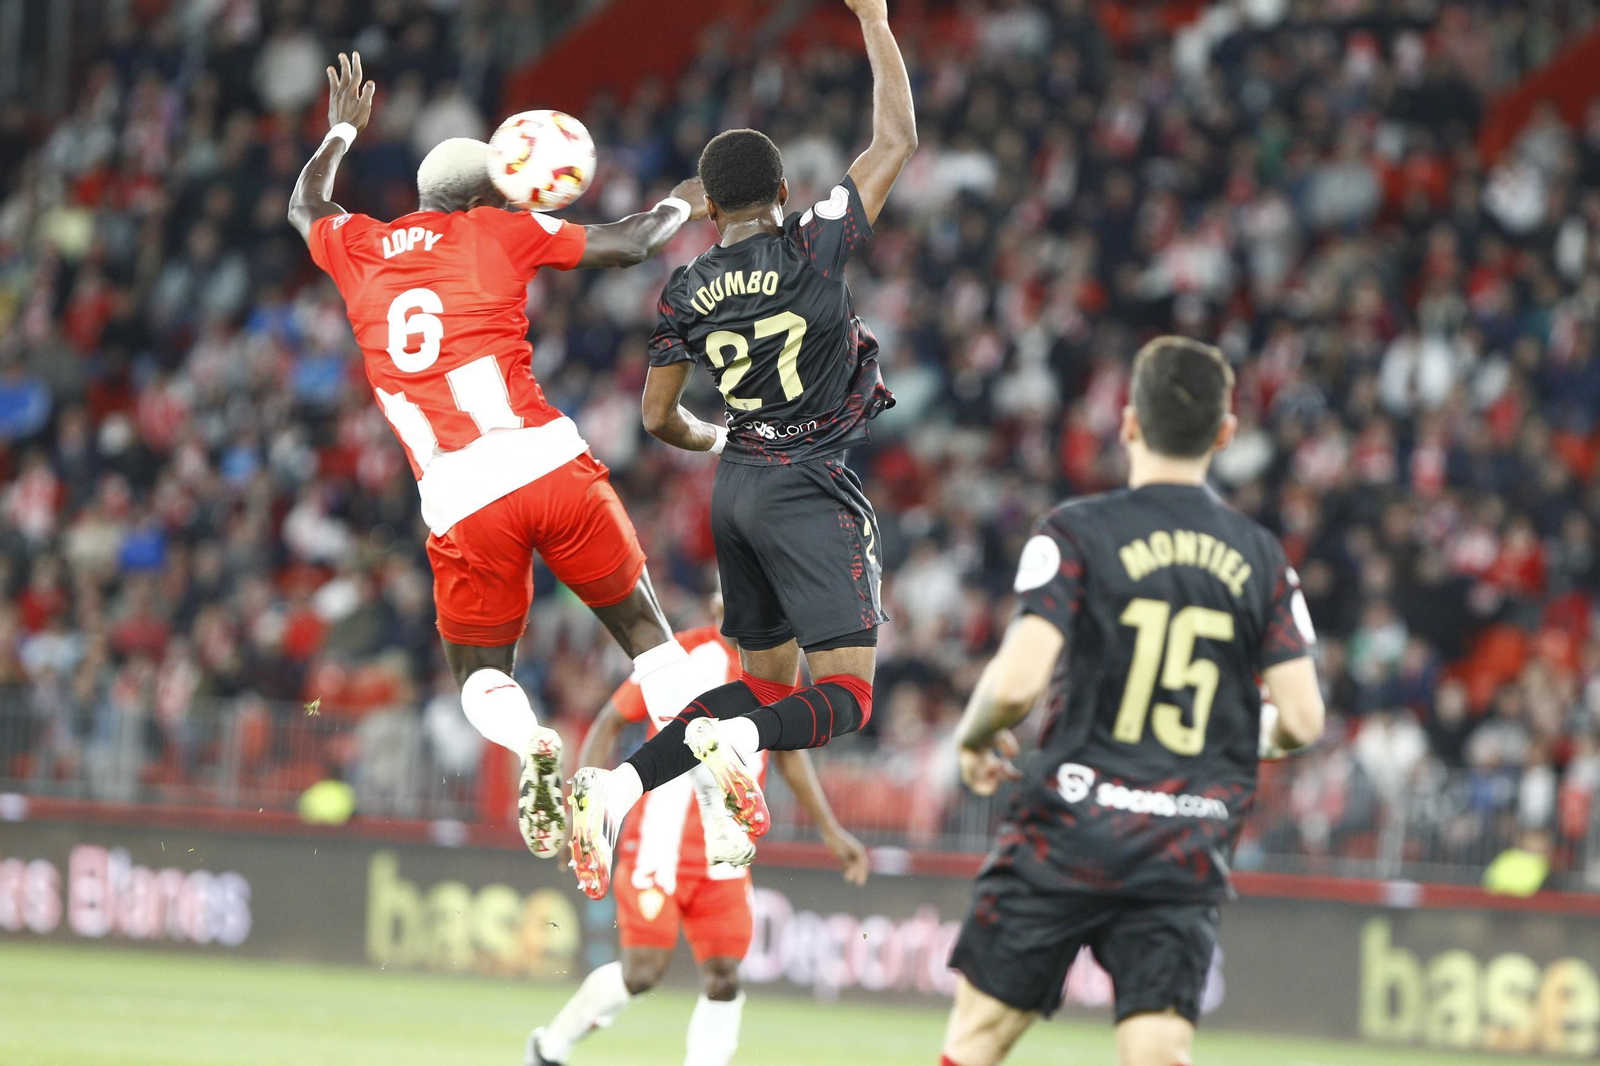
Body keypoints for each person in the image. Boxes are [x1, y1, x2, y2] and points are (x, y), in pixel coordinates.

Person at [287, 52, 743, 864]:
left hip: (460, 499)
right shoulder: (497, 228)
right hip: (547, 464)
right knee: (647, 634)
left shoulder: (358, 246)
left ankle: (531, 737)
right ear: (484, 196)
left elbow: (304, 203)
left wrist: (342, 131)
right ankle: (715, 772)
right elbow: (634, 242)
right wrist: (685, 200)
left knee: (478, 675)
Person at [564, 0, 917, 901]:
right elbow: (895, 142)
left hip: (737, 489)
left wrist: (716, 436)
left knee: (763, 692)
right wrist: (874, 20)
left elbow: (656, 419)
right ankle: (733, 759)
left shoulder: (685, 290)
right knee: (843, 699)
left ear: (711, 207)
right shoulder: (816, 244)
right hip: (809, 486)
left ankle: (620, 786)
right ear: (785, 194)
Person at [939, 337, 1327, 1066]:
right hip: (1182, 845)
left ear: (1127, 425)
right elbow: (1304, 719)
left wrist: (972, 735)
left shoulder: (1076, 533)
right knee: (1157, 1054)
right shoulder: (1263, 558)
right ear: (1225, 434)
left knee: (977, 1042)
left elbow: (1018, 684)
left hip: (1069, 830)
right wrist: (1235, 733)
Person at [527, 606, 868, 1066]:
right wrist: (581, 814)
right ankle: (550, 1048)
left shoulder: (781, 666)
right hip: (658, 843)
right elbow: (611, 720)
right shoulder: (684, 654)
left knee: (725, 975)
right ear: (717, 607)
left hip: (725, 850)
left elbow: (789, 752)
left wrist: (829, 828)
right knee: (642, 972)